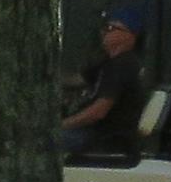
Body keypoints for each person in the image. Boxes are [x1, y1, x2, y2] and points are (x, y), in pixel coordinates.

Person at [63, 11, 148, 157]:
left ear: (130, 36)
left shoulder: (124, 65)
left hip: (103, 137)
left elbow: (98, 112)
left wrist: (61, 124)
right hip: (93, 133)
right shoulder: (109, 63)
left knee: (38, 140)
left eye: (111, 29)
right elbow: (76, 80)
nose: (104, 32)